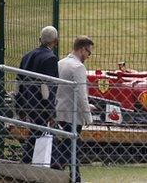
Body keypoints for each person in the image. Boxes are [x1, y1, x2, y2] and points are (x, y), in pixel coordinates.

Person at [16, 26, 59, 164]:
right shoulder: (50, 58)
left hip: (27, 103)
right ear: (56, 41)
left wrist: (19, 107)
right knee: (40, 135)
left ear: (40, 39)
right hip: (41, 106)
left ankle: (29, 163)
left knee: (35, 135)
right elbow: (47, 88)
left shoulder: (27, 56)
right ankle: (30, 164)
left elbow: (19, 84)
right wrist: (52, 112)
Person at [55, 36, 94, 182]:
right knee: (70, 152)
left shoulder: (60, 63)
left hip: (60, 112)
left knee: (67, 150)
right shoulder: (78, 67)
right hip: (72, 116)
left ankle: (74, 178)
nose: (88, 56)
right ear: (83, 49)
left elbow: (64, 91)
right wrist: (88, 116)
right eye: (88, 53)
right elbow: (81, 95)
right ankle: (73, 179)